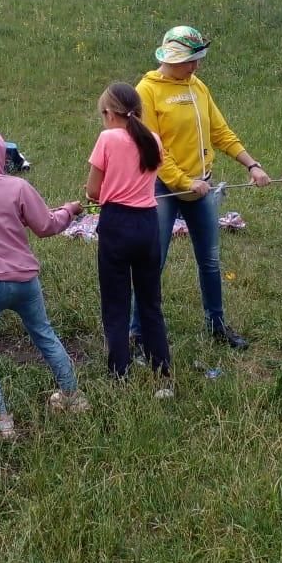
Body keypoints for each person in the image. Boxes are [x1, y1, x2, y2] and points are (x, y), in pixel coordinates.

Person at [134, 25, 271, 350]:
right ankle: (138, 333)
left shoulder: (197, 87)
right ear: (170, 59)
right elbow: (153, 151)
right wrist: (184, 183)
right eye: (189, 61)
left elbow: (220, 132)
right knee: (155, 261)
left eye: (198, 60)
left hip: (202, 187)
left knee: (209, 260)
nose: (195, 67)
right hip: (164, 188)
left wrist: (251, 164)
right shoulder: (147, 90)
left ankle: (217, 325)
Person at [0, 126, 88, 440]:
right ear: (0, 154)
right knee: (44, 335)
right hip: (26, 281)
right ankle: (73, 398)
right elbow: (46, 226)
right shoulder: (18, 187)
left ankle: (0, 422)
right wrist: (69, 211)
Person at [87, 82, 173, 391]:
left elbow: (93, 191)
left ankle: (119, 374)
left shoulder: (107, 138)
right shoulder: (153, 139)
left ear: (109, 113)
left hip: (117, 224)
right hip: (149, 224)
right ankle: (163, 374)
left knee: (116, 303)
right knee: (151, 303)